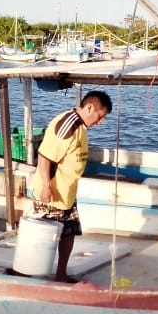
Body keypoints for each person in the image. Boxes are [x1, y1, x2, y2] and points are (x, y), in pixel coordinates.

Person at [30, 90, 112, 282]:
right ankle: (27, 273)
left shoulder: (81, 126)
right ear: (90, 107)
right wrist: (45, 187)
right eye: (100, 117)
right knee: (44, 238)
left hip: (67, 193)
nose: (100, 122)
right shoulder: (66, 125)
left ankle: (61, 274)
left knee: (69, 233)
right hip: (52, 194)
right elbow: (44, 157)